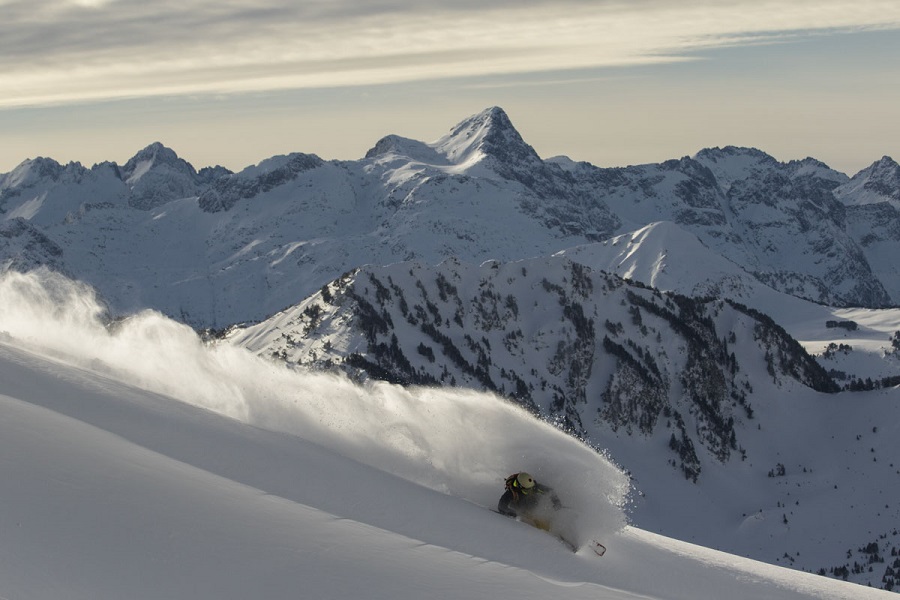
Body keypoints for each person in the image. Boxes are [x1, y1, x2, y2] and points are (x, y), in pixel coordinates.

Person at [497, 472, 562, 530]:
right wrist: (513, 514)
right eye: (527, 490)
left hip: (531, 504)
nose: (530, 491)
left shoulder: (533, 487)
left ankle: (549, 529)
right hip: (520, 508)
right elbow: (501, 506)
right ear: (520, 487)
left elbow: (550, 491)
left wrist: (556, 501)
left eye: (531, 489)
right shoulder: (512, 492)